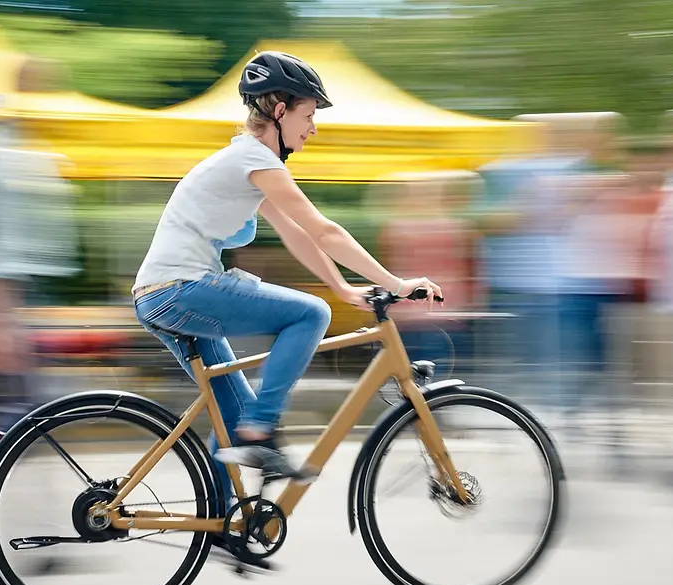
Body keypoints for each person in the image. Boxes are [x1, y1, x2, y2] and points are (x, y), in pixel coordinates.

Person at [132, 51, 442, 489]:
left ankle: (226, 525)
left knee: (234, 418)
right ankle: (261, 431)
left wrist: (342, 286)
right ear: (279, 111)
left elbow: (299, 234)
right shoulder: (254, 160)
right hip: (179, 290)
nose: (313, 127)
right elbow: (324, 230)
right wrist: (395, 283)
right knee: (310, 315)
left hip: (166, 294)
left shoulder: (249, 164)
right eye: (309, 114)